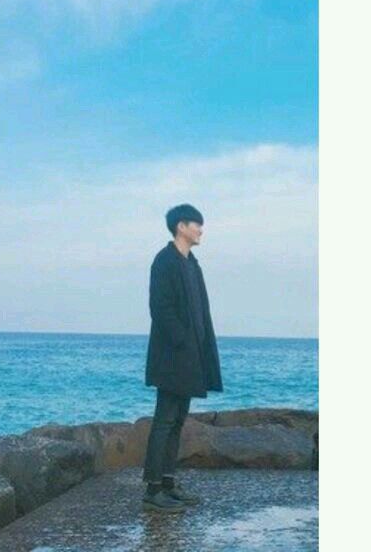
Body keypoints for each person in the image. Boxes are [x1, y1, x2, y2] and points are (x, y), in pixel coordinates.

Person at [141, 203, 224, 513]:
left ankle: (168, 482)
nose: (201, 230)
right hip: (172, 355)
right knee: (164, 420)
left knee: (177, 420)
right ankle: (152, 490)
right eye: (196, 224)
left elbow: (201, 311)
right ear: (181, 226)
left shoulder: (192, 264)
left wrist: (200, 346)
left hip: (191, 356)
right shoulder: (164, 261)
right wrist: (182, 340)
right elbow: (160, 308)